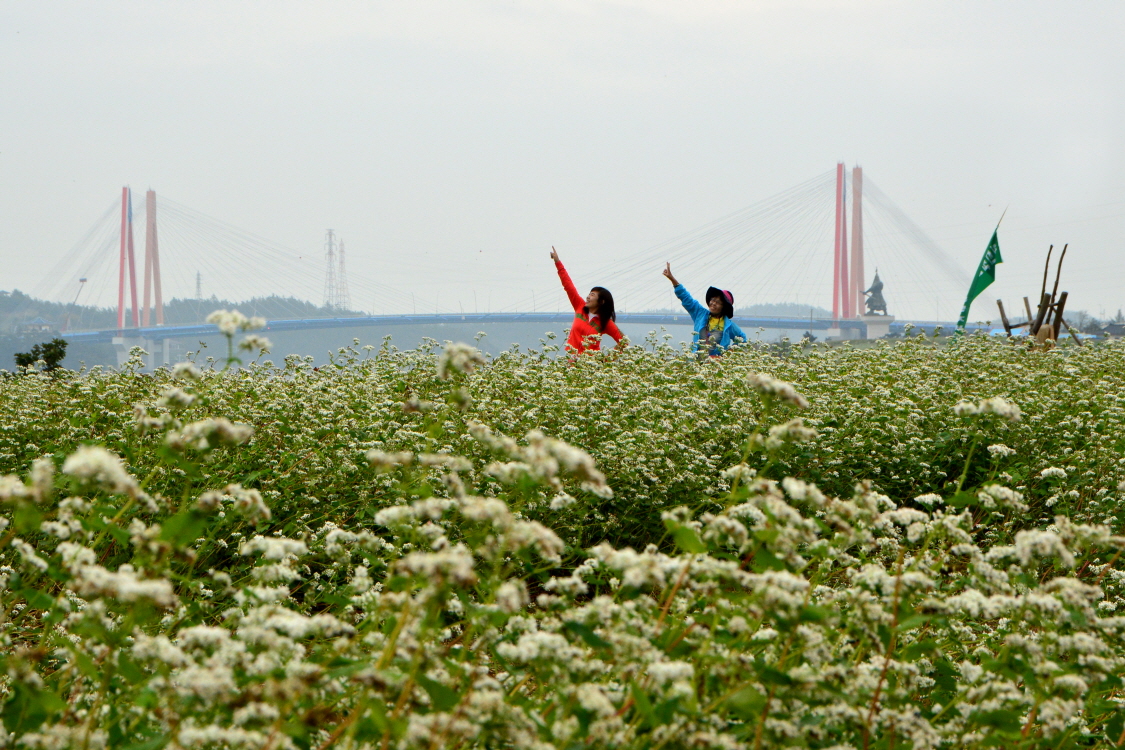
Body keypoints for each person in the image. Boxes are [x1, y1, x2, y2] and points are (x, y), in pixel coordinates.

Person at [550, 247, 626, 353]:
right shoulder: (579, 306)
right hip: (571, 360)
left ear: (601, 302)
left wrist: (606, 360)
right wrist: (557, 262)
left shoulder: (605, 322)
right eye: (589, 294)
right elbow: (568, 286)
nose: (588, 297)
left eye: (592, 295)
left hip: (590, 363)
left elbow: (624, 342)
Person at [662, 262, 746, 357]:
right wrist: (672, 279)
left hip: (715, 365)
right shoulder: (700, 314)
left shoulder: (728, 325)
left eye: (718, 302)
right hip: (695, 362)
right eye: (713, 300)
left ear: (724, 307)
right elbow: (686, 298)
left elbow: (742, 339)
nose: (713, 303)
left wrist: (724, 356)